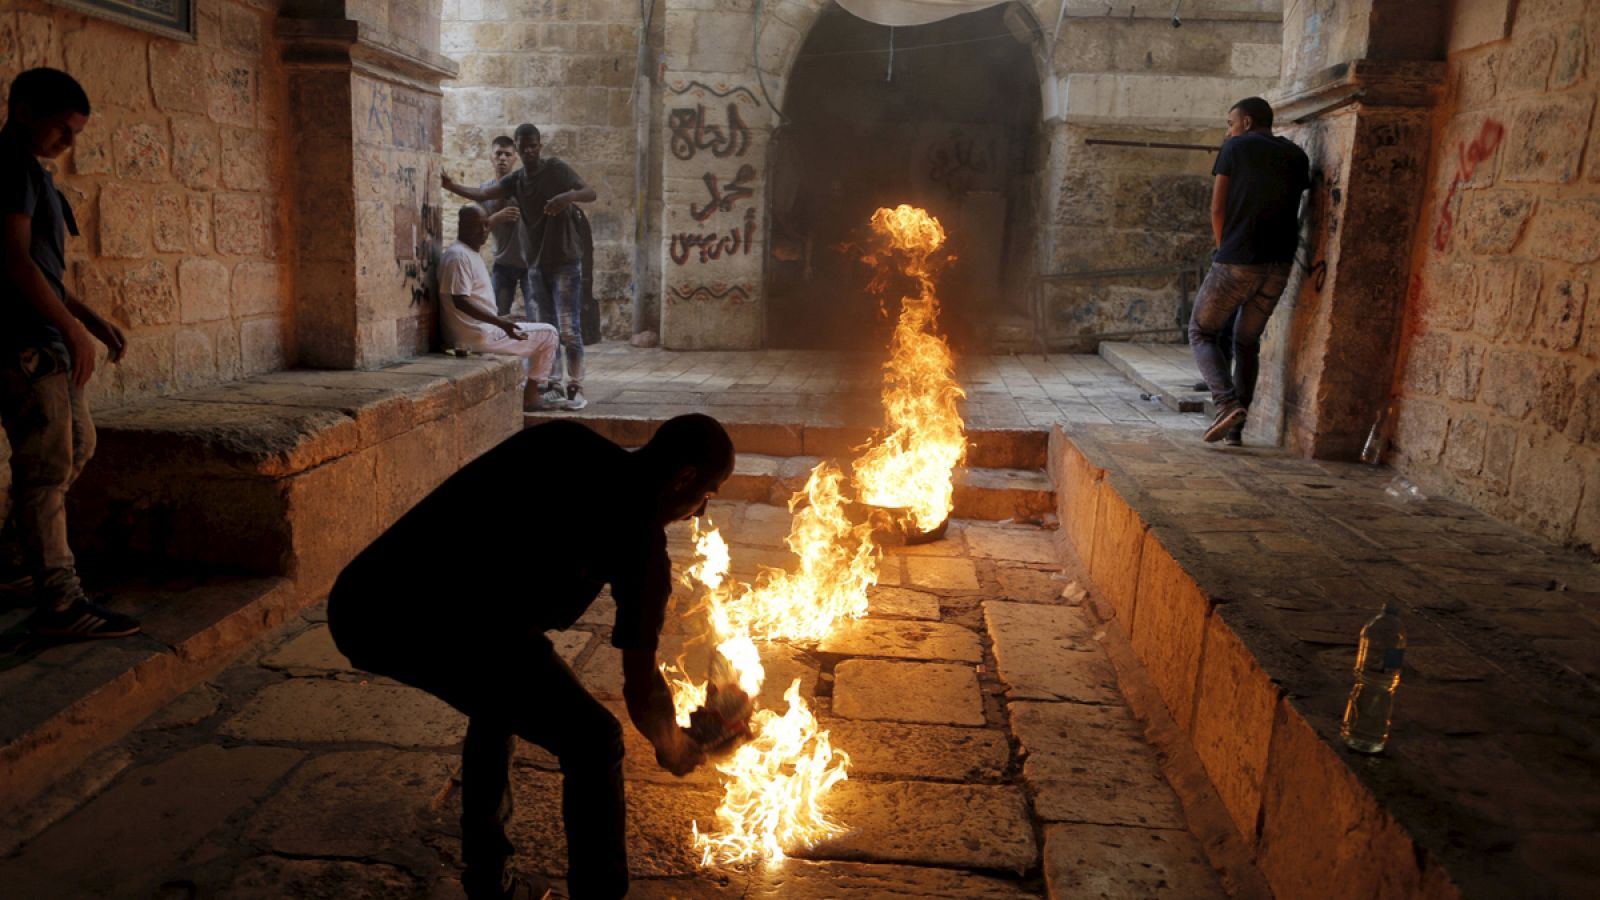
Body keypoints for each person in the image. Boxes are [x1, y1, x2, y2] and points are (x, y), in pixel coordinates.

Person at [328, 414, 736, 900]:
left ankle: (486, 877)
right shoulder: (642, 545)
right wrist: (673, 748)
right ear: (684, 477)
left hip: (368, 597)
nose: (700, 513)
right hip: (408, 619)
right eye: (708, 493)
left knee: (502, 696)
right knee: (595, 740)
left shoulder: (562, 439)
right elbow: (640, 687)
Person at [1, 68, 136, 639]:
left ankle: (14, 568)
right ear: (26, 110)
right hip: (24, 340)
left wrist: (88, 320)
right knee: (46, 466)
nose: (69, 142)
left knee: (77, 447)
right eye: (62, 128)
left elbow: (45, 269)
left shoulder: (32, 171)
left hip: (50, 335)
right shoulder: (7, 165)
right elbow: (11, 260)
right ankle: (59, 601)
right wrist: (70, 331)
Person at [443, 124, 596, 411]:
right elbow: (482, 192)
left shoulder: (556, 169)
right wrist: (450, 186)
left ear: (539, 146)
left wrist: (566, 198)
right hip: (536, 263)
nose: (528, 152)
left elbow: (590, 192)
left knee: (569, 328)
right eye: (523, 147)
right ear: (519, 147)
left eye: (533, 146)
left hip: (564, 260)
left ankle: (576, 385)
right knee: (548, 327)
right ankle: (552, 384)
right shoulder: (516, 180)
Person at [1189, 96, 1310, 444]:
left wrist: (1221, 248)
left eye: (1230, 123)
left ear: (1245, 122)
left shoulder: (1235, 147)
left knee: (1201, 331)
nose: (1228, 131)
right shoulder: (1296, 155)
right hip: (1279, 266)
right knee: (1246, 341)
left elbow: (1217, 207)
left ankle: (1226, 405)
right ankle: (1236, 431)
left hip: (1237, 260)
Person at [440, 205, 562, 411]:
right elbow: (460, 301)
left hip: (477, 331)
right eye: (475, 226)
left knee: (530, 327)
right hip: (475, 336)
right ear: (461, 227)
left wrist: (504, 318)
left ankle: (525, 388)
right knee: (549, 334)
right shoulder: (458, 256)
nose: (483, 231)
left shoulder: (466, 253)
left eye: (486, 225)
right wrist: (500, 323)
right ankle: (531, 397)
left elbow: (472, 300)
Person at [480, 135, 536, 321]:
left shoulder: (526, 187)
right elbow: (478, 234)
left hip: (530, 263)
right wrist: (495, 218)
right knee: (496, 317)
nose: (502, 158)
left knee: (536, 317)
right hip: (503, 264)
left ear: (515, 158)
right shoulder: (484, 191)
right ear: (491, 157)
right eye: (498, 154)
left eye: (507, 154)